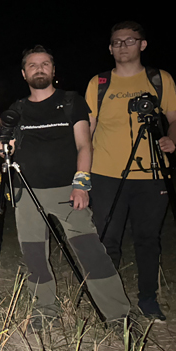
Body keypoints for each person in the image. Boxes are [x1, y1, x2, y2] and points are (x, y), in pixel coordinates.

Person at [0, 45, 131, 331]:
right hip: (28, 192)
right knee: (34, 255)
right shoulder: (17, 110)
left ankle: (117, 312)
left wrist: (81, 184)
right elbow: (8, 152)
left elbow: (85, 144)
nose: (40, 68)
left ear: (53, 70)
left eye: (45, 63)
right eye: (33, 65)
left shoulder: (71, 101)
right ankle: (44, 310)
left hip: (68, 189)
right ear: (24, 73)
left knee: (90, 251)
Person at [85, 21, 176, 322]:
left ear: (143, 44)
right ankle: (108, 303)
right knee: (107, 239)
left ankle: (148, 299)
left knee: (148, 239)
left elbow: (174, 118)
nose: (123, 46)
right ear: (110, 48)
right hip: (106, 174)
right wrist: (81, 172)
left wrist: (171, 139)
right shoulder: (99, 83)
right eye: (117, 42)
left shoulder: (160, 79)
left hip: (152, 173)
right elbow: (89, 129)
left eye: (129, 40)